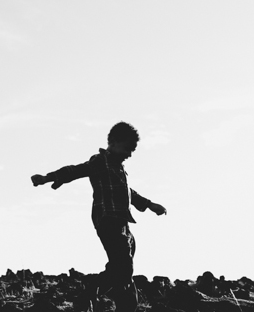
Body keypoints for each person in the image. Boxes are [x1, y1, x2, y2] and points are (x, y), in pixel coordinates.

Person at [31, 122, 166, 312]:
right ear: (115, 142)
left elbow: (129, 193)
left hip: (123, 224)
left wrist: (149, 205)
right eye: (128, 148)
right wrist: (47, 177)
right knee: (123, 267)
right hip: (108, 221)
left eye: (133, 150)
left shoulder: (119, 168)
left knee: (122, 269)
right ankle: (90, 296)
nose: (130, 153)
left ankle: (116, 301)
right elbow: (76, 170)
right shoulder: (100, 162)